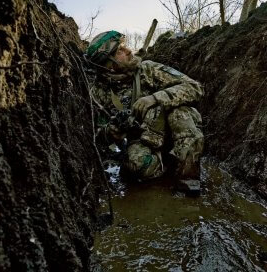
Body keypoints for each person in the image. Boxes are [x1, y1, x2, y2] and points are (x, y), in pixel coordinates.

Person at [86, 30, 204, 181]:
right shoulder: (99, 92)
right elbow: (96, 136)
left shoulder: (148, 70)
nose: (128, 50)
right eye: (119, 51)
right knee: (136, 166)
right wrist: (112, 131)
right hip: (145, 140)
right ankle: (167, 166)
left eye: (124, 45)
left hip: (174, 130)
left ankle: (188, 178)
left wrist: (155, 98)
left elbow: (194, 87)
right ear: (109, 65)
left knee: (180, 114)